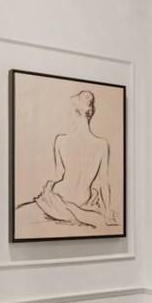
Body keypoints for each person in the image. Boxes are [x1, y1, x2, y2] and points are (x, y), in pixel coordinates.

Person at [17, 90, 118, 230]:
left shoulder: (61, 140)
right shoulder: (102, 145)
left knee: (20, 214)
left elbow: (59, 174)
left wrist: (48, 184)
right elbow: (104, 183)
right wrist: (107, 212)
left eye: (70, 112)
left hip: (59, 198)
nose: (68, 116)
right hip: (82, 200)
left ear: (76, 113)